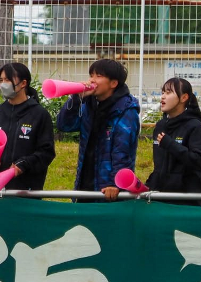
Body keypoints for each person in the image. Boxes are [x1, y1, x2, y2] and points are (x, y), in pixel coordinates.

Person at [56, 58, 140, 200]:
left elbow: (122, 151)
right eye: (91, 75)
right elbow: (64, 125)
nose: (92, 80)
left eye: (98, 76)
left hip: (109, 191)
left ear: (113, 83)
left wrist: (116, 184)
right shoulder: (89, 104)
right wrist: (76, 99)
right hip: (85, 184)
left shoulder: (125, 110)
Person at [0, 62, 56, 191]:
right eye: (1, 80)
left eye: (7, 80)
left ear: (23, 83)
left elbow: (46, 152)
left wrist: (23, 165)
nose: (3, 84)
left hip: (26, 190)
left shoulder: (39, 114)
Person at [144, 77, 201, 205]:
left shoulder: (195, 127)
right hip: (160, 200)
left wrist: (171, 145)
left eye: (168, 93)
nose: (162, 97)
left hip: (186, 202)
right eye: (162, 92)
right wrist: (147, 186)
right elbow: (159, 166)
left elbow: (199, 162)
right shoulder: (160, 126)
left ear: (184, 98)